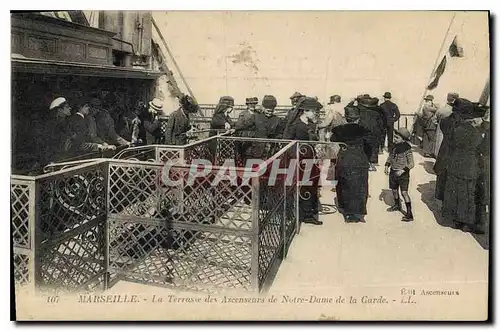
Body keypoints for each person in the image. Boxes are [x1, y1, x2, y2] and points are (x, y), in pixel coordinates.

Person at [441, 99, 483, 233]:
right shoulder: (477, 133)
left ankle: (457, 220)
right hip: (470, 166)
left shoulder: (456, 130)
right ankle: (467, 222)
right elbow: (481, 148)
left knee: (456, 192)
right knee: (469, 195)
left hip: (455, 164)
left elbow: (451, 145)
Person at [330, 106, 374, 223]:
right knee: (360, 186)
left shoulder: (339, 130)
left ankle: (347, 213)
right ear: (358, 118)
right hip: (359, 159)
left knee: (344, 185)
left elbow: (332, 140)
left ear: (346, 118)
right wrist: (367, 158)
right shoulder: (364, 130)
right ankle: (358, 212)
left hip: (345, 158)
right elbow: (370, 146)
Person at [284, 97, 322, 225]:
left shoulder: (311, 124)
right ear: (305, 111)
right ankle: (294, 214)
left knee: (309, 186)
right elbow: (287, 143)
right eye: (312, 111)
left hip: (310, 159)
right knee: (296, 187)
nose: (314, 114)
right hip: (297, 160)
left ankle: (308, 215)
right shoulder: (295, 125)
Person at [384, 128, 415, 222]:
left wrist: (403, 170)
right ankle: (397, 205)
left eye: (397, 138)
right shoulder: (394, 147)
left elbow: (411, 163)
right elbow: (390, 157)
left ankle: (409, 214)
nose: (394, 139)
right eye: (394, 137)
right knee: (394, 190)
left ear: (403, 139)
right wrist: (386, 165)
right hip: (393, 172)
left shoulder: (407, 149)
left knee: (404, 192)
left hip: (403, 175)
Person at [37, 97, 74, 165]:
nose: (70, 108)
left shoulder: (65, 122)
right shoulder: (54, 125)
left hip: (64, 157)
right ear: (59, 110)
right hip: (56, 159)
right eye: (67, 107)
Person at [357, 95, 385, 170]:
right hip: (375, 133)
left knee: (364, 147)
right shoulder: (377, 113)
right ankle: (372, 164)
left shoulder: (361, 113)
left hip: (364, 132)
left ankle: (365, 163)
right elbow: (381, 124)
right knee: (374, 148)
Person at [434, 92, 457, 156]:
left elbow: (434, 120)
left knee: (439, 144)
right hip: (452, 131)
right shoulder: (455, 111)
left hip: (440, 130)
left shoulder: (441, 110)